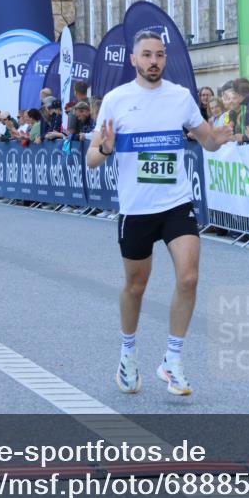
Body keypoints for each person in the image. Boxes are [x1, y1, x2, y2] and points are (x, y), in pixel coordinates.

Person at [86, 30, 232, 396]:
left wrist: (220, 136)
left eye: (160, 55)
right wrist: (104, 149)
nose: (154, 61)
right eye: (147, 55)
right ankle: (128, 354)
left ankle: (173, 360)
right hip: (135, 209)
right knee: (136, 286)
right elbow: (91, 159)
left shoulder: (180, 97)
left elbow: (208, 142)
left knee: (188, 278)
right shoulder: (117, 100)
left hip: (176, 203)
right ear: (134, 60)